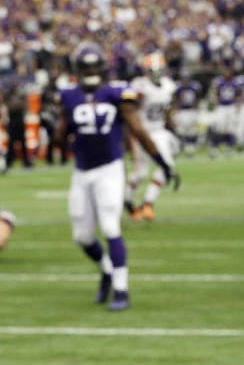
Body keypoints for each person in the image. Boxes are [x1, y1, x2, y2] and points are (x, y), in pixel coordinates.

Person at [57, 45, 180, 311]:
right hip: (81, 171)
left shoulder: (116, 94)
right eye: (85, 67)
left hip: (109, 169)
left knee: (111, 227)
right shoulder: (69, 96)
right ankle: (107, 270)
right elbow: (61, 134)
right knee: (82, 236)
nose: (90, 72)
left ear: (102, 68)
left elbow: (137, 129)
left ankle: (122, 290)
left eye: (94, 66)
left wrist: (161, 162)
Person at [125, 53, 179, 222]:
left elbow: (168, 110)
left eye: (159, 69)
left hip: (159, 131)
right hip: (142, 132)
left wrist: (172, 126)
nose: (156, 73)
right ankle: (126, 200)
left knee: (167, 166)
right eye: (152, 70)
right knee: (140, 173)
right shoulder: (139, 86)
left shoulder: (169, 86)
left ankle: (148, 204)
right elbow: (129, 110)